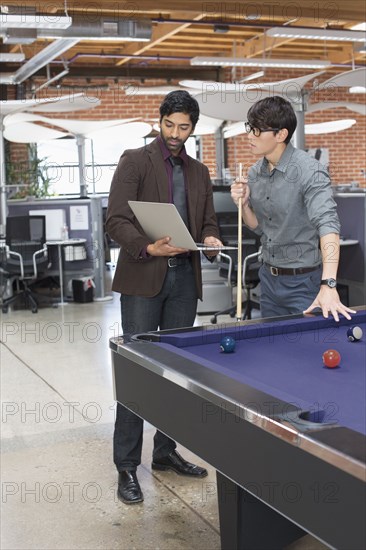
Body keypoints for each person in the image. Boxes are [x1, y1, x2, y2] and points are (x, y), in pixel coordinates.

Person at [106, 91, 223, 505]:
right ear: (159, 121)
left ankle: (166, 452)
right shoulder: (135, 161)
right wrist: (146, 247)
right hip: (143, 277)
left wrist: (210, 238)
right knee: (138, 373)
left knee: (174, 372)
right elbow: (115, 219)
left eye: (184, 127)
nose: (175, 134)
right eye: (169, 125)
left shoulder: (200, 171)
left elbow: (206, 222)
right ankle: (126, 465)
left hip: (183, 283)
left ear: (193, 127)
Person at [231, 95, 355, 322]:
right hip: (268, 279)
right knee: (275, 349)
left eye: (257, 130)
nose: (249, 135)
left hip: (303, 283)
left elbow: (328, 226)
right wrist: (244, 204)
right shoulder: (254, 173)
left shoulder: (310, 171)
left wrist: (328, 284)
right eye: (250, 127)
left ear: (281, 134)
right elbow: (258, 227)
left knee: (308, 353)